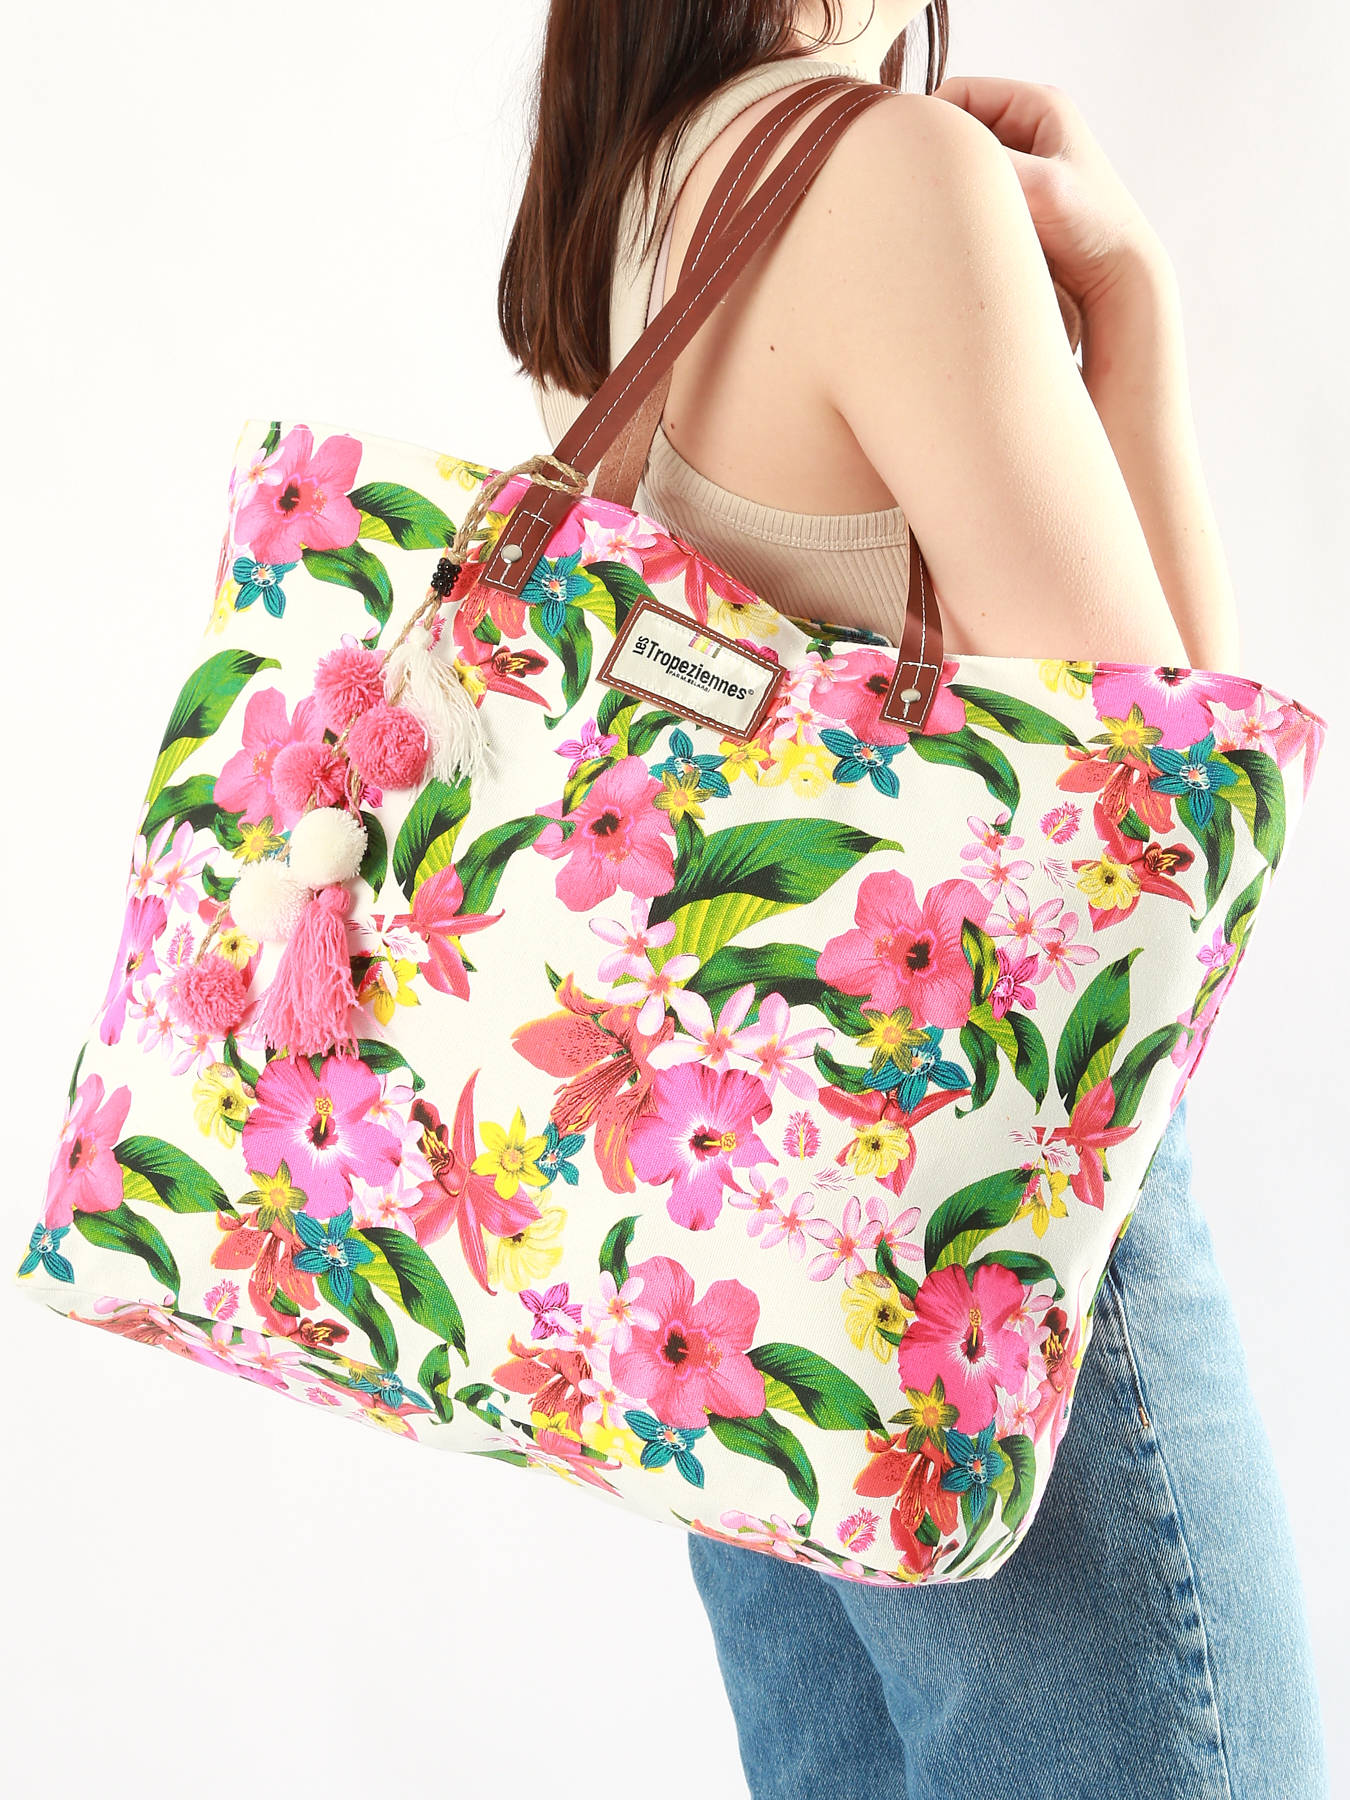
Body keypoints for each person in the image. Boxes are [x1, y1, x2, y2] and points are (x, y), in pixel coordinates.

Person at [498, 4, 1330, 1795]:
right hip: (977, 1219)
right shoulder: (881, 169)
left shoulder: (621, 183)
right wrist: (1133, 308)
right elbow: (1181, 824)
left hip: (734, 1248)